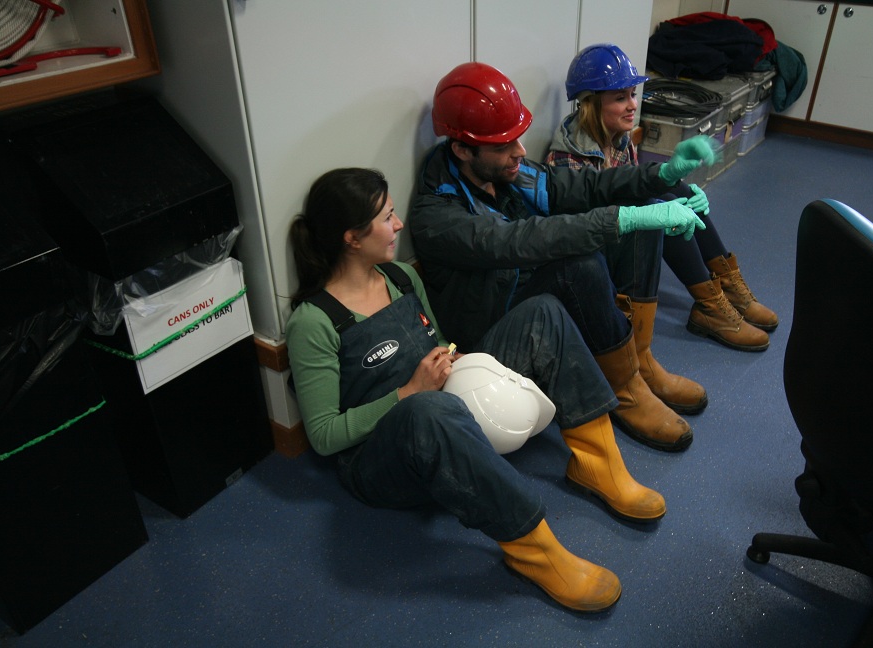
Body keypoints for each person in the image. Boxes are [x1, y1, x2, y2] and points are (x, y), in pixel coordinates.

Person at [287, 167, 669, 613]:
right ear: (352, 238)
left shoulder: (400, 278)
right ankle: (536, 553)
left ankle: (598, 465)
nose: (399, 224)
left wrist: (456, 359)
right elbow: (324, 436)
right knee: (428, 412)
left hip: (439, 405)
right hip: (381, 457)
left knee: (542, 312)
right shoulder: (313, 322)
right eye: (387, 218)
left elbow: (438, 340)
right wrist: (408, 393)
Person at [409, 61, 712, 454]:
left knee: (640, 221)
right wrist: (623, 218)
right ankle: (625, 390)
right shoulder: (437, 216)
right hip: (491, 334)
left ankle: (639, 364)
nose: (520, 152)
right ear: (462, 149)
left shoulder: (500, 171)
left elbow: (583, 186)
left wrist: (663, 176)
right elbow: (519, 240)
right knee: (579, 263)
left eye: (517, 138)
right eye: (503, 146)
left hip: (520, 285)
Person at [545, 43, 777, 352]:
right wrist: (658, 209)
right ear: (590, 104)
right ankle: (710, 307)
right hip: (594, 253)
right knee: (661, 209)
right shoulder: (566, 159)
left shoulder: (618, 138)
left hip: (618, 230)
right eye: (620, 98)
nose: (632, 105)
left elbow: (634, 185)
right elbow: (589, 225)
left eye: (632, 95)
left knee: (679, 193)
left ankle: (726, 287)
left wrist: (684, 193)